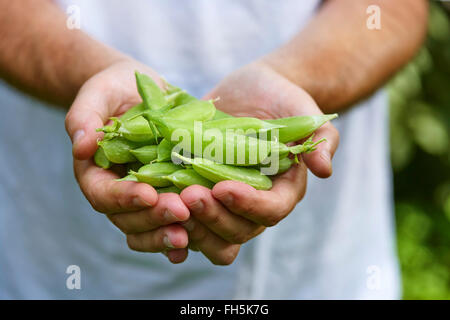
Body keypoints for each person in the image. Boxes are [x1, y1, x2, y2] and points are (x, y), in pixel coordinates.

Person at [0, 0, 427, 299]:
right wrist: (90, 72)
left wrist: (297, 77)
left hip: (324, 270)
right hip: (60, 265)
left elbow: (393, 7)